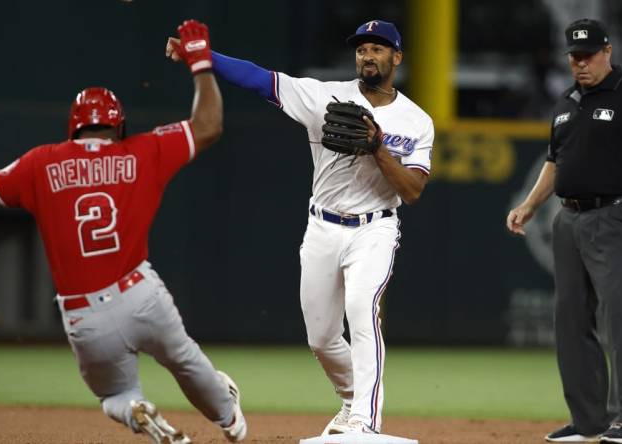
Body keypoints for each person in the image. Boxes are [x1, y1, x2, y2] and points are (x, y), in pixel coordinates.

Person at [0, 20, 246, 444]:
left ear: (73, 126)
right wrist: (201, 61)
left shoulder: (41, 163)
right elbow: (208, 126)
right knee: (185, 359)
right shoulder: (144, 150)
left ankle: (135, 410)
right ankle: (231, 422)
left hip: (84, 315)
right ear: (119, 126)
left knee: (115, 393)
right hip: (141, 294)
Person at [167, 20, 433, 435]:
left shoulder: (416, 121)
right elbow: (260, 80)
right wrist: (201, 56)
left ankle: (365, 422)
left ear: (396, 57)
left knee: (363, 311)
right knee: (322, 338)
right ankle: (351, 400)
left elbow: (413, 191)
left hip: (374, 229)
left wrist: (378, 147)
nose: (368, 55)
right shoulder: (325, 96)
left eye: (378, 49)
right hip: (323, 226)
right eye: (362, 49)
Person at [506, 19, 622, 444]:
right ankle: (589, 421)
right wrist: (530, 205)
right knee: (569, 320)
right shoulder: (566, 101)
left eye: (588, 55)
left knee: (620, 318)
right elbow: (555, 161)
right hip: (569, 220)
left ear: (607, 51)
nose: (580, 63)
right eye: (574, 56)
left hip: (621, 216)